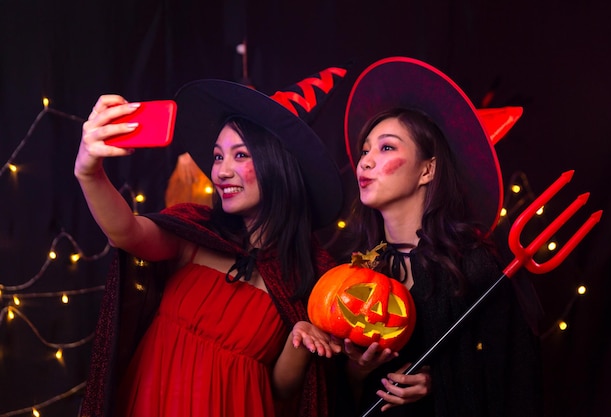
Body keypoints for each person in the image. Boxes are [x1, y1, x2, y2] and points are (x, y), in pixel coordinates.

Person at [75, 66, 347, 417]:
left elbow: (283, 393)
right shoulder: (196, 234)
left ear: (277, 167)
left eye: (241, 155)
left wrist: (301, 336)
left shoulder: (313, 278)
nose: (221, 171)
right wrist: (89, 172)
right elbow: (126, 232)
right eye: (218, 155)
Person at [338, 57, 543, 416]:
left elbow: (514, 379)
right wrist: (359, 370)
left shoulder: (473, 265)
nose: (365, 162)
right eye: (365, 150)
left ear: (428, 169)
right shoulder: (356, 271)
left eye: (386, 148)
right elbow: (335, 391)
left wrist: (438, 384)